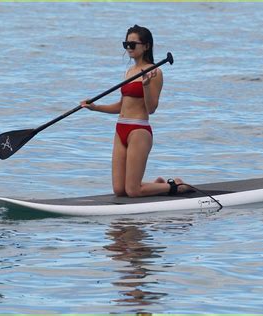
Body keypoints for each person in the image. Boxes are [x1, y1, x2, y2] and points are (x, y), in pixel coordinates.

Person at [81, 25, 191, 197]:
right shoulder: (129, 72)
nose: (129, 48)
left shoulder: (155, 72)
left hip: (138, 131)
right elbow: (121, 106)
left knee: (132, 191)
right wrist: (95, 108)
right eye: (126, 44)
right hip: (120, 130)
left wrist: (146, 86)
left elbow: (152, 108)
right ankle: (156, 186)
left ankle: (176, 186)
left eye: (133, 44)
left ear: (146, 46)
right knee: (119, 190)